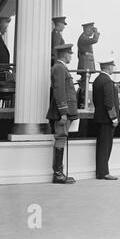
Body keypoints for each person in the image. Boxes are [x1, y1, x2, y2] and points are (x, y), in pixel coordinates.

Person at [46, 44, 78, 184]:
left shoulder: (61, 67)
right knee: (60, 138)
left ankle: (59, 173)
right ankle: (58, 174)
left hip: (63, 111)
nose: (71, 56)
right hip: (62, 112)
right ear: (65, 54)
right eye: (70, 53)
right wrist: (63, 112)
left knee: (62, 138)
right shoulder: (59, 68)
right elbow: (59, 91)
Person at [92, 58, 120, 180]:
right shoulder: (107, 81)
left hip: (99, 117)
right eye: (112, 66)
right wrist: (113, 117)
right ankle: (104, 172)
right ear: (108, 67)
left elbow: (95, 100)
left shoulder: (97, 80)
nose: (113, 68)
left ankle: (100, 171)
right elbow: (109, 102)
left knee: (101, 146)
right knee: (106, 146)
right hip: (107, 119)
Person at [77, 22, 100, 107]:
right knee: (84, 84)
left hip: (87, 62)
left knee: (85, 83)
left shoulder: (84, 37)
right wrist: (96, 32)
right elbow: (95, 40)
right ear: (86, 29)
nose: (92, 31)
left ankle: (83, 102)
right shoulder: (83, 38)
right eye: (91, 29)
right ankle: (83, 102)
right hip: (86, 63)